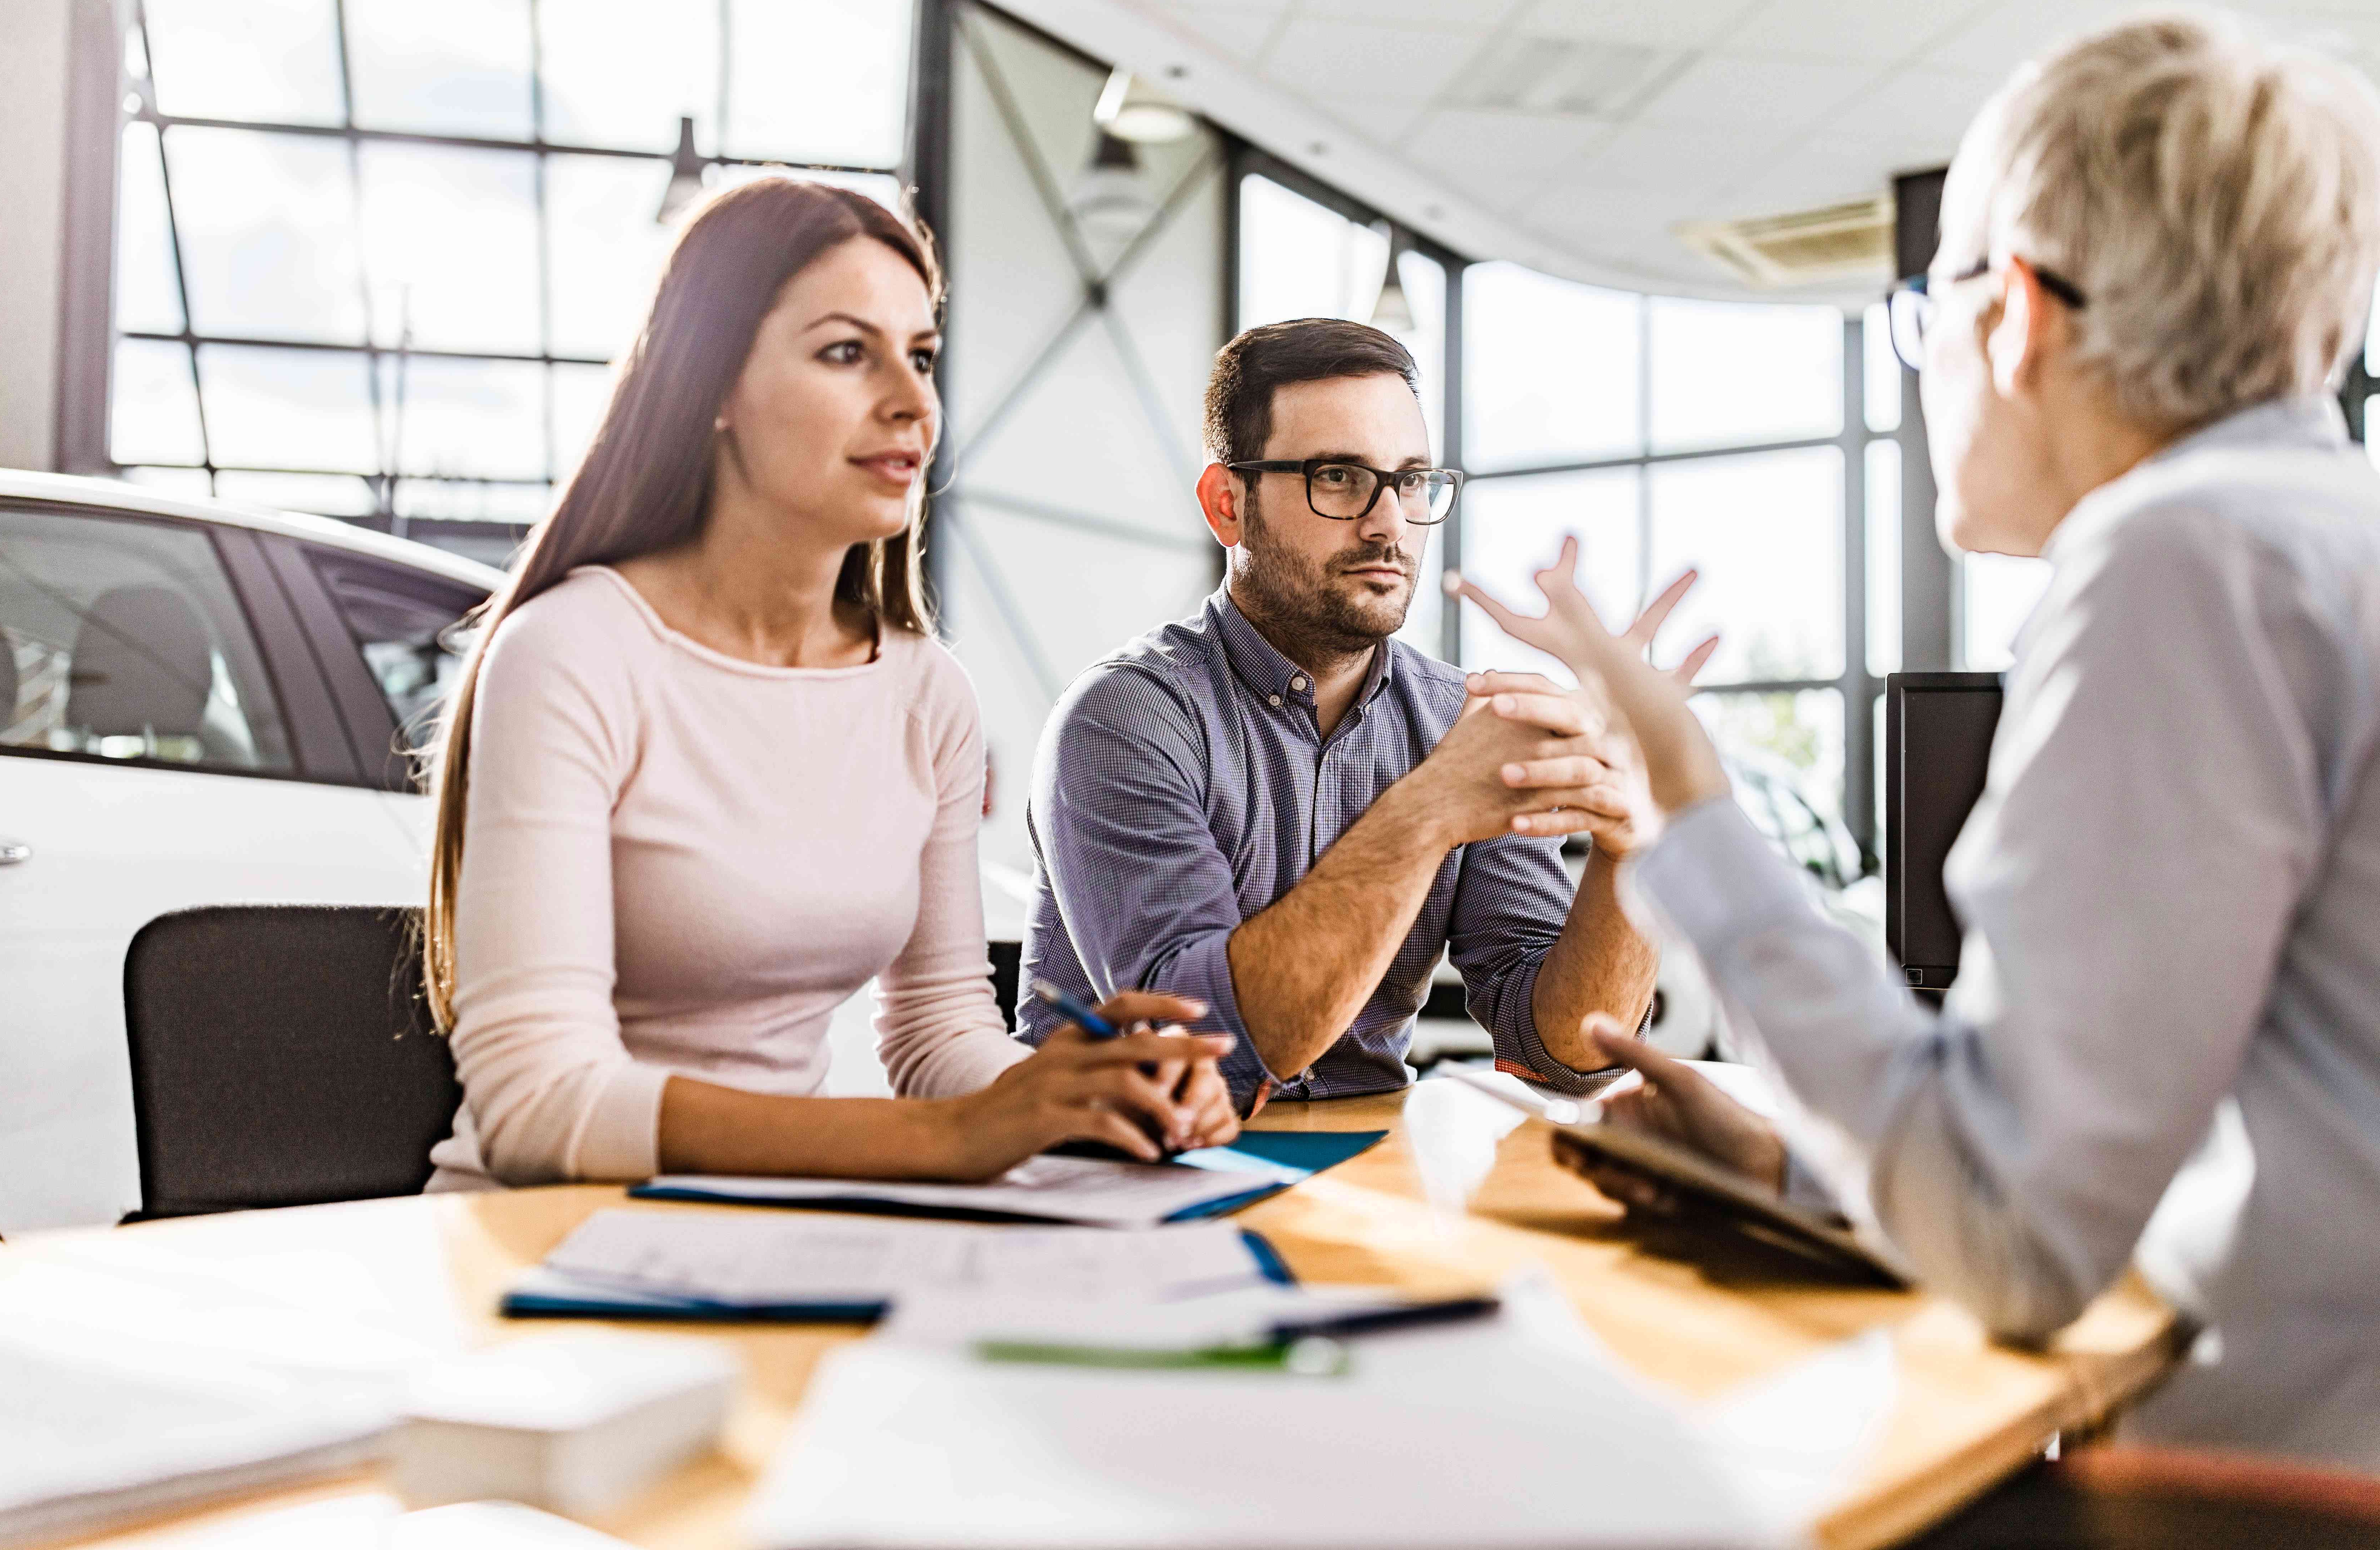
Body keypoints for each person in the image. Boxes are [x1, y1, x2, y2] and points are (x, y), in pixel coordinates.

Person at [1452, 11, 2380, 1466]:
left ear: (2014, 313)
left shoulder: (2180, 565)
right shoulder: (2322, 542)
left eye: (1922, 307)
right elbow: (2184, 1140)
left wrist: (1684, 797)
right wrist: (1823, 1163)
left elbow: (2016, 1242)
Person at [420, 178, 1239, 1192]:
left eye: (923, 356)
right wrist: (951, 1142)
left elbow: (939, 1035)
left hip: (773, 1236)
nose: (912, 401)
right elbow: (536, 1105)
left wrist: (1083, 1099)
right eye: (848, 352)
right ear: (711, 384)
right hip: (539, 1251)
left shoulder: (926, 694)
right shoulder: (575, 652)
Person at [1014, 318, 1711, 1113]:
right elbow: (1209, 1051)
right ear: (1227, 504)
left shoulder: (1459, 720)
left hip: (1360, 1166)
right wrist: (1430, 808)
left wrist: (1627, 850)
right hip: (1115, 1179)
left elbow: (1563, 1056)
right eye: (1339, 476)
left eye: (1411, 481)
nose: (1388, 524)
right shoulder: (1124, 720)